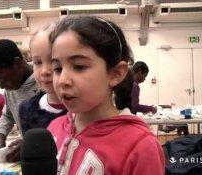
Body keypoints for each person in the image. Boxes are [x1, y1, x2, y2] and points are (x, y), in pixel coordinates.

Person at [47, 16, 165, 174]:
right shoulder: (53, 128)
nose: (62, 80)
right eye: (57, 68)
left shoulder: (140, 146)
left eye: (79, 66)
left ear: (115, 73)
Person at [0, 39, 39, 161]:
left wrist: (32, 143)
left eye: (3, 80)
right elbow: (8, 115)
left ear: (17, 63)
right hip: (30, 156)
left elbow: (61, 123)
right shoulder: (11, 87)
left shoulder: (44, 82)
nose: (2, 87)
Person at [19, 22, 67, 135]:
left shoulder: (83, 109)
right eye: (38, 62)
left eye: (52, 61)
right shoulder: (27, 109)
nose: (44, 71)